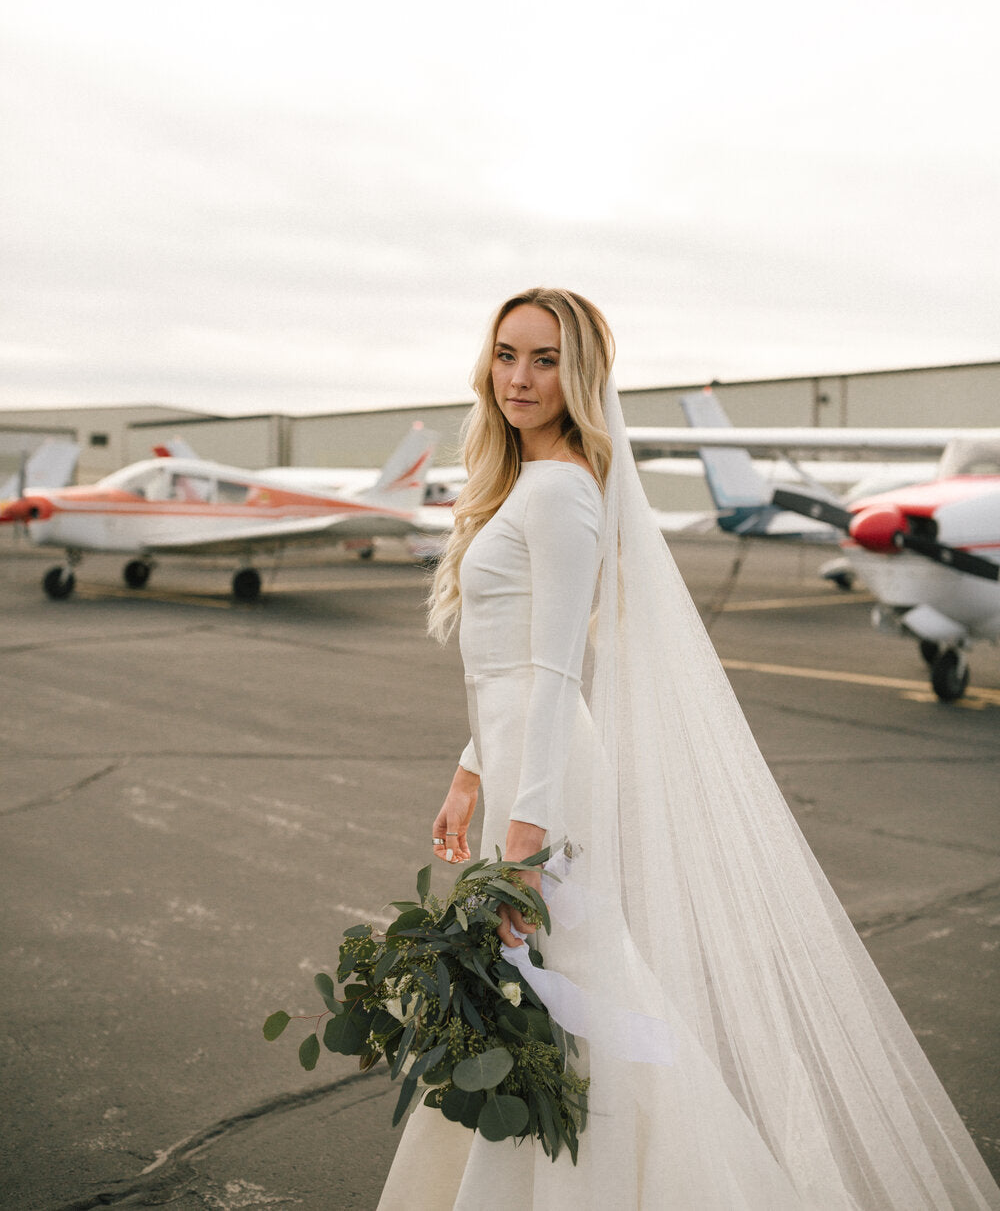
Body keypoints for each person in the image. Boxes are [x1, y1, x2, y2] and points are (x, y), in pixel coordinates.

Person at [377, 288, 999, 1211]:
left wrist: (524, 839)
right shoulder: (525, 481)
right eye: (507, 354)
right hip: (516, 770)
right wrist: (470, 777)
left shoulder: (558, 492)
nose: (519, 377)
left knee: (573, 986)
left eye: (545, 359)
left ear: (580, 374)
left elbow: (553, 673)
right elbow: (509, 669)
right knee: (542, 989)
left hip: (543, 787)